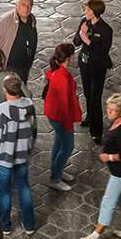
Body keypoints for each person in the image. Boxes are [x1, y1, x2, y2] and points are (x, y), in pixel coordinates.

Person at [0, 73, 39, 233]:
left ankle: (6, 225)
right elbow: (34, 130)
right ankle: (29, 224)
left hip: (3, 159)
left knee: (4, 192)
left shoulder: (0, 112)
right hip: (22, 156)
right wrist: (29, 148)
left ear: (5, 90)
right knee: (24, 187)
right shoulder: (29, 106)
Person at [80, 93, 121, 239]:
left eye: (113, 110)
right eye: (108, 108)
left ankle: (97, 233)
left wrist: (108, 157)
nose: (109, 112)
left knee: (108, 201)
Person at [43, 43, 83, 192]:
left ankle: (57, 170)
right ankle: (55, 178)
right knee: (67, 146)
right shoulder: (62, 77)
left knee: (59, 142)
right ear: (69, 58)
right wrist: (69, 124)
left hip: (53, 114)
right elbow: (65, 105)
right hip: (60, 117)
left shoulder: (55, 71)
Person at [74, 0, 114, 141]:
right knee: (87, 93)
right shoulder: (84, 22)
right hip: (85, 63)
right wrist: (80, 34)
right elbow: (76, 42)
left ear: (96, 13)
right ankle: (89, 118)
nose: (86, 12)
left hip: (98, 66)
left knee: (95, 98)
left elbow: (102, 51)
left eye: (89, 10)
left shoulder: (106, 30)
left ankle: (96, 131)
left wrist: (86, 38)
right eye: (85, 9)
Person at [0, 0, 38, 85]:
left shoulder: (31, 21)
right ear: (16, 5)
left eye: (29, 5)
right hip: (6, 68)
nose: (26, 8)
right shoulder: (5, 20)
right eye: (23, 4)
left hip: (23, 69)